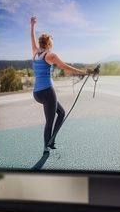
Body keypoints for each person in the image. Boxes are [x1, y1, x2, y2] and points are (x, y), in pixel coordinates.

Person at [30, 15, 89, 153]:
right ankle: (46, 147)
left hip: (37, 93)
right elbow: (65, 67)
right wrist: (83, 72)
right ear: (49, 44)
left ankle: (51, 141)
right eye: (51, 42)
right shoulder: (50, 55)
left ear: (40, 44)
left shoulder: (35, 52)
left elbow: (32, 38)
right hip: (47, 92)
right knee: (49, 121)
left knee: (61, 113)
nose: (52, 44)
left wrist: (32, 25)